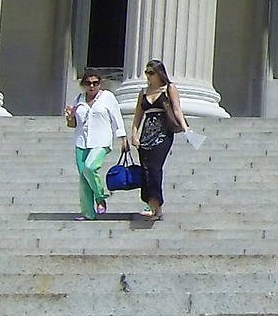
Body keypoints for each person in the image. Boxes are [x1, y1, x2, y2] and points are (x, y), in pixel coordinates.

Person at [129, 59, 190, 222]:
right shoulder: (143, 91)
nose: (149, 76)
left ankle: (155, 205)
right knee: (146, 170)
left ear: (159, 73)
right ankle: (154, 207)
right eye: (147, 73)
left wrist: (185, 127)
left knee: (155, 169)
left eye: (151, 73)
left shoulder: (169, 88)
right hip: (147, 133)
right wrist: (134, 134)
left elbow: (177, 109)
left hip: (163, 132)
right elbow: (137, 116)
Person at [64, 70, 128, 220]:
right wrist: (70, 117)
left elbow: (116, 117)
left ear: (100, 83)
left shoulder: (107, 97)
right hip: (82, 141)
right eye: (88, 83)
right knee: (83, 177)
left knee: (90, 167)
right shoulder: (79, 99)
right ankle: (88, 212)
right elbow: (73, 124)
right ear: (83, 85)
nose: (92, 86)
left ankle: (100, 196)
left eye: (95, 83)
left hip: (101, 140)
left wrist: (123, 137)